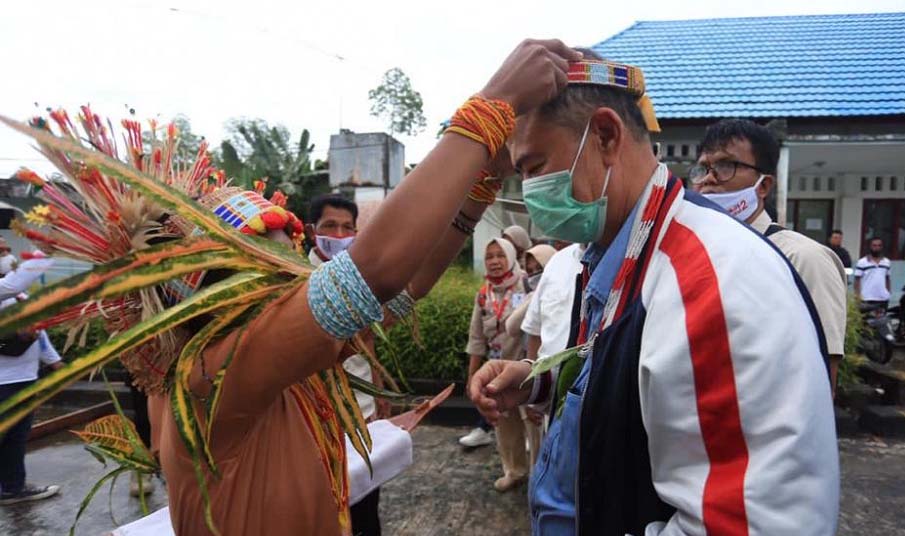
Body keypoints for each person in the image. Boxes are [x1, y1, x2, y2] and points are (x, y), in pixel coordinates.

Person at [2, 38, 582, 536]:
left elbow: (405, 287)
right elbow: (375, 272)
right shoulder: (211, 375)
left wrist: (482, 182)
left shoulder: (275, 362)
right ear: (222, 292)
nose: (306, 271)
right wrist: (492, 107)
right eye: (280, 265)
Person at [470, 54, 838, 535]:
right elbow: (633, 376)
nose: (531, 189)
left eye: (535, 166)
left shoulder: (710, 282)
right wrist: (540, 380)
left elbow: (752, 524)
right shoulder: (615, 251)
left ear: (604, 136)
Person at [691, 119, 848, 390]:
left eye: (726, 165)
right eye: (703, 168)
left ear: (763, 186)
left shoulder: (803, 259)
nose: (709, 179)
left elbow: (821, 376)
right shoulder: (696, 257)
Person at [306, 194, 390, 536]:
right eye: (330, 226)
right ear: (313, 231)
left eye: (347, 228)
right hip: (315, 420)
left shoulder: (360, 276)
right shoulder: (294, 278)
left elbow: (368, 339)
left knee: (367, 501)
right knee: (324, 505)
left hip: (362, 413)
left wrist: (379, 391)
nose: (339, 235)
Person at [465, 237, 532, 491]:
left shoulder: (527, 285)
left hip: (525, 371)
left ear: (511, 256)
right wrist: (472, 376)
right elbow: (476, 338)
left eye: (500, 255)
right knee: (504, 426)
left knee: (533, 425)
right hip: (495, 373)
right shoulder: (484, 294)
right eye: (489, 256)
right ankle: (514, 471)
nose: (494, 261)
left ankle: (537, 477)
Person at [0, 255, 62, 505]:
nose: (8, 256)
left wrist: (54, 361)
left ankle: (12, 486)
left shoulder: (15, 296)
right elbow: (16, 283)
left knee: (15, 436)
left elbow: (39, 331)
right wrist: (45, 250)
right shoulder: (8, 290)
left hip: (23, 377)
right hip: (5, 381)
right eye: (1, 251)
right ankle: (12, 487)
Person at [504, 243, 556, 468]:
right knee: (536, 444)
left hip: (558, 382)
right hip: (534, 376)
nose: (535, 275)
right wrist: (536, 296)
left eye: (540, 269)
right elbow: (512, 326)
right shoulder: (532, 296)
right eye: (531, 269)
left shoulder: (563, 290)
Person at [855, 237, 892, 308]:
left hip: (883, 299)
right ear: (870, 247)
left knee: (883, 319)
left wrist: (888, 293)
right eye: (874, 245)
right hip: (867, 298)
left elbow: (887, 279)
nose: (877, 248)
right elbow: (857, 280)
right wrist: (857, 296)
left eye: (879, 245)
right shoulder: (862, 262)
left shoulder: (886, 262)